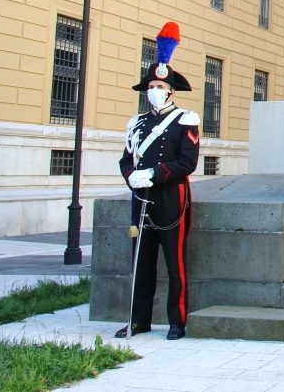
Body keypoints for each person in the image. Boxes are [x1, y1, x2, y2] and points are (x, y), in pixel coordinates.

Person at [116, 22, 200, 341]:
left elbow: (187, 162)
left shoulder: (185, 120)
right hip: (141, 199)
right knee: (142, 263)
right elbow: (127, 159)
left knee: (175, 262)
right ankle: (138, 320)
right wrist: (132, 177)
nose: (155, 91)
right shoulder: (136, 123)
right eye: (151, 86)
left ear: (170, 91)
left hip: (170, 199)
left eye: (160, 87)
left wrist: (153, 174)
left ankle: (177, 321)